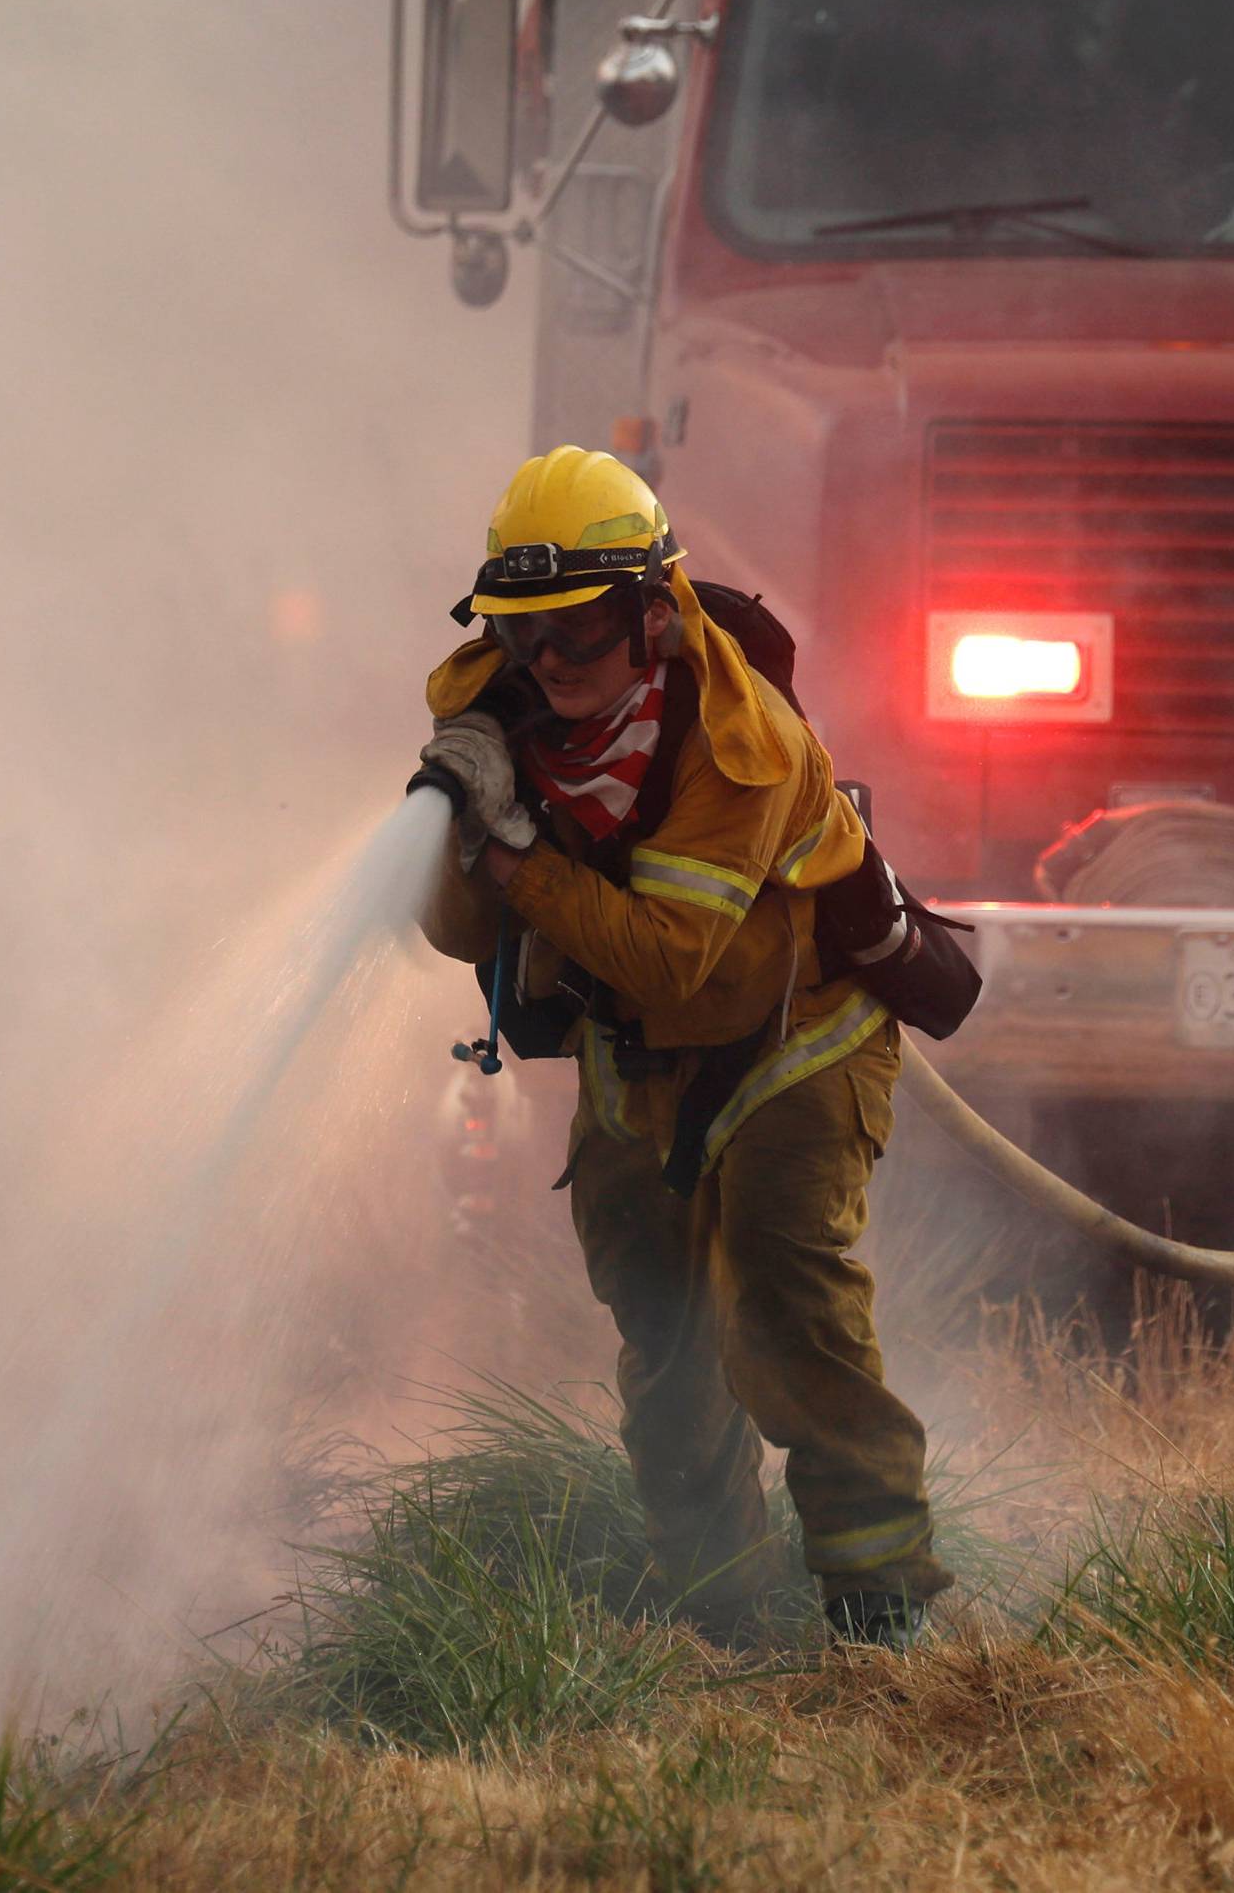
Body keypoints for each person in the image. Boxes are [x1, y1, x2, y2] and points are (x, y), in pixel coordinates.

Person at [414, 445, 951, 1645]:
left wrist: (513, 853)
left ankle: (883, 1623)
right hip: (636, 1065)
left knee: (786, 1316)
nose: (549, 664)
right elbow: (464, 940)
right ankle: (727, 1623)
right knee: (665, 1352)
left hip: (795, 1046)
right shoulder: (502, 710)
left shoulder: (740, 743)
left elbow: (665, 955)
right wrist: (456, 822)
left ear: (655, 617)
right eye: (523, 633)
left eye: (580, 633)